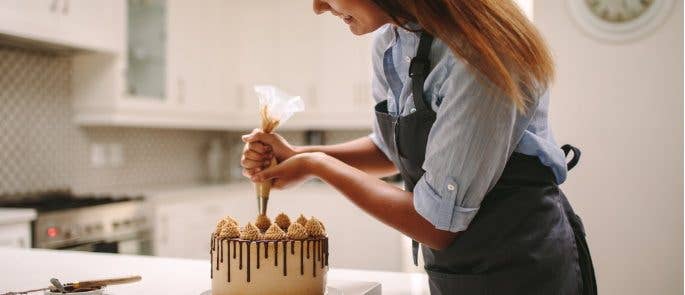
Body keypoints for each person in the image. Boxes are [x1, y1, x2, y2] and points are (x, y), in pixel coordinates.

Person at [240, 0, 597, 294]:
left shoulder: (484, 54)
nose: (318, 7)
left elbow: (436, 226)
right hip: (453, 272)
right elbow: (390, 151)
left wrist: (316, 165)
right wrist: (296, 155)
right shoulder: (392, 43)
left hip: (523, 270)